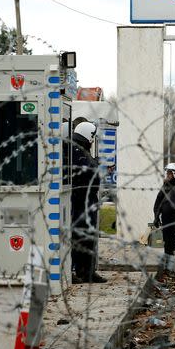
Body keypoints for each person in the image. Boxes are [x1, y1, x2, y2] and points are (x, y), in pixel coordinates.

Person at [71, 122, 106, 284]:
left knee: (88, 238)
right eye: (92, 137)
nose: (93, 141)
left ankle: (87, 272)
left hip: (86, 201)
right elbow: (87, 173)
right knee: (80, 238)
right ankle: (80, 271)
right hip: (81, 201)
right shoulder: (76, 151)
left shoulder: (81, 151)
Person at [153, 163, 175, 256]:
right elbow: (158, 202)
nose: (167, 175)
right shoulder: (166, 186)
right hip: (167, 218)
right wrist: (156, 217)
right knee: (168, 243)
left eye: (170, 173)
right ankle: (168, 266)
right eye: (167, 173)